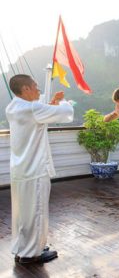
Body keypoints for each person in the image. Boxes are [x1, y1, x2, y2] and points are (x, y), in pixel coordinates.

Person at [5, 74, 74, 263]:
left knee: (23, 212)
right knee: (36, 210)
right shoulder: (32, 108)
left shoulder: (13, 107)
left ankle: (24, 247)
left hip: (20, 168)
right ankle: (31, 254)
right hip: (34, 169)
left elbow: (40, 116)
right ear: (25, 89)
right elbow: (66, 113)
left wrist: (51, 102)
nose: (38, 90)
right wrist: (63, 101)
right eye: (35, 87)